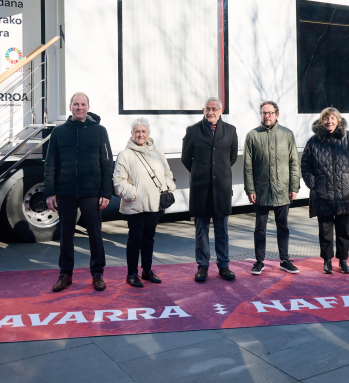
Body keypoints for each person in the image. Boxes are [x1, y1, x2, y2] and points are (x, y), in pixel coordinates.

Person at [45, 92, 113, 292]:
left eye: (83, 104)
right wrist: (50, 192)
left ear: (88, 108)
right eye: (76, 104)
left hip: (91, 192)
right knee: (66, 236)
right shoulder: (59, 133)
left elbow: (107, 164)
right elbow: (50, 163)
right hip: (65, 192)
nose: (79, 107)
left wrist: (106, 193)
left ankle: (98, 274)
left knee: (95, 234)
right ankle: (65, 274)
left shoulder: (99, 131)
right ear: (70, 107)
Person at [301, 107, 349, 275]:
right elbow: (306, 166)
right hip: (323, 193)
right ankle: (327, 261)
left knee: (345, 230)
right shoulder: (313, 142)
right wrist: (313, 183)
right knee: (325, 230)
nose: (329, 121)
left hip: (346, 193)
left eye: (332, 118)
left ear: (338, 121)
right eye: (326, 118)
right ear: (321, 121)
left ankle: (343, 260)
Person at [113, 118, 175, 287]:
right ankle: (132, 274)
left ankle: (147, 271)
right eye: (137, 132)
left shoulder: (158, 153)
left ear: (148, 133)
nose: (140, 134)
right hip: (135, 206)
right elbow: (118, 181)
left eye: (143, 131)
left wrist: (168, 187)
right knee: (134, 241)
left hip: (155, 205)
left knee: (149, 239)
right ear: (132, 134)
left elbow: (168, 174)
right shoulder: (125, 154)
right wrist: (134, 193)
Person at [181, 97, 238, 282]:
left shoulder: (230, 131)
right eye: (208, 108)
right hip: (201, 190)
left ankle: (224, 266)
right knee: (201, 231)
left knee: (222, 231)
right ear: (203, 110)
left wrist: (218, 173)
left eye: (214, 109)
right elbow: (185, 158)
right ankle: (202, 266)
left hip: (221, 190)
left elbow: (232, 158)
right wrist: (199, 172)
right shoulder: (193, 131)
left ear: (221, 111)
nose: (211, 112)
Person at [244, 101, 301, 275]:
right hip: (261, 191)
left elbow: (294, 163)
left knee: (282, 227)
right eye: (263, 113)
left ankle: (284, 260)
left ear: (277, 114)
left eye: (270, 113)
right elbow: (248, 166)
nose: (266, 116)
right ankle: (259, 261)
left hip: (283, 189)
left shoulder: (287, 134)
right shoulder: (253, 135)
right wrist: (250, 189)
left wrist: (294, 186)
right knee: (260, 228)